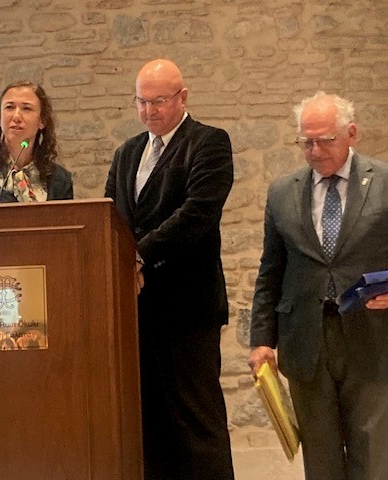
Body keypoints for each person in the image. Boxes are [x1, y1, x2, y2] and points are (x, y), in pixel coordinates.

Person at [105, 59, 234, 480]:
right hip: (138, 311)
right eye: (141, 102)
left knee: (198, 424)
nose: (149, 111)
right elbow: (111, 217)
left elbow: (198, 213)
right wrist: (116, 259)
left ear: (183, 97)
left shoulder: (209, 142)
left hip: (188, 310)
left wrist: (138, 255)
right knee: (151, 428)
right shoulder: (127, 153)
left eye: (159, 101)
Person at [249, 91, 388, 480]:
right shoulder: (282, 192)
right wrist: (261, 340)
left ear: (351, 133)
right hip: (305, 341)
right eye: (306, 142)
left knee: (372, 455)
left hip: (372, 339)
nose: (314, 151)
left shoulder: (384, 182)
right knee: (320, 458)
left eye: (325, 140)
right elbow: (271, 270)